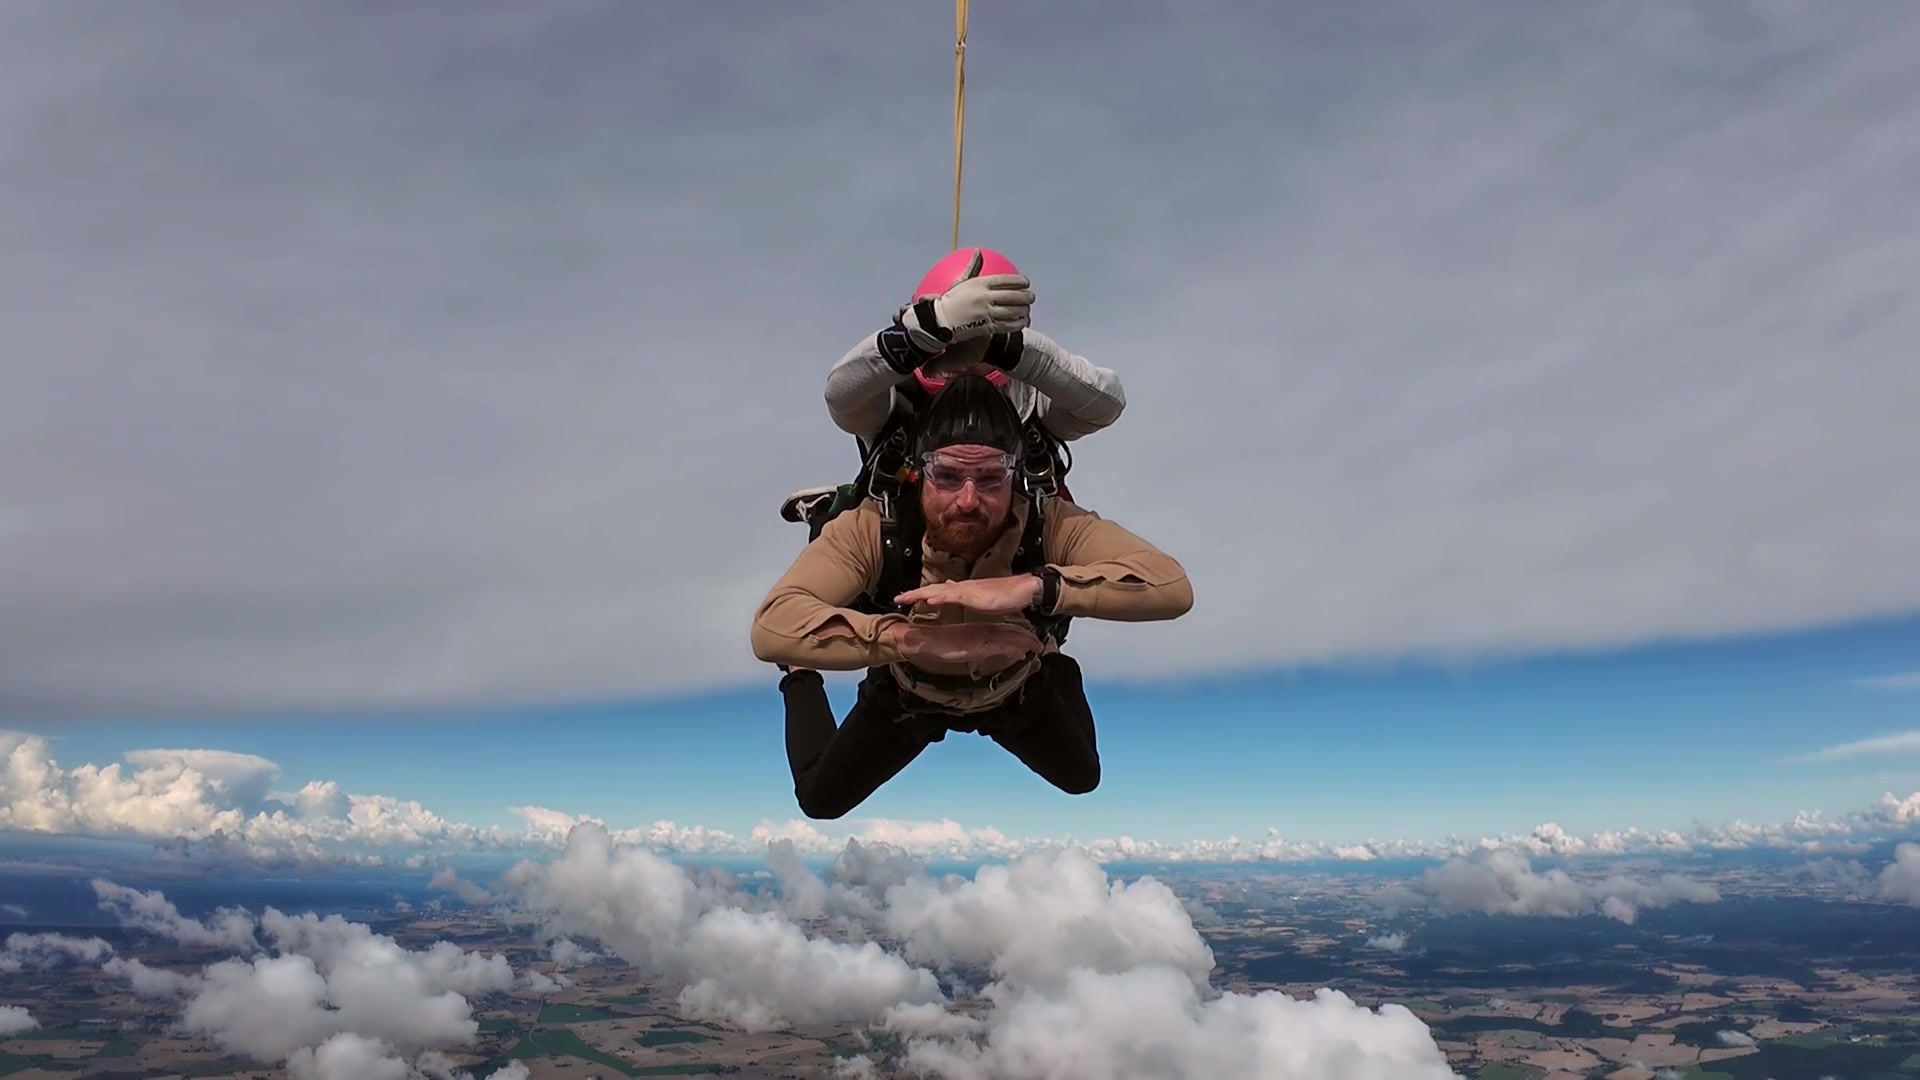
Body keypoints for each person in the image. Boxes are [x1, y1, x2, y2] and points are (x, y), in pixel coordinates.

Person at [750, 372, 1193, 820]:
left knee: (1082, 777)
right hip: (906, 694)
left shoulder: (1048, 520)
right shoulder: (877, 525)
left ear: (1015, 476)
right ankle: (806, 638)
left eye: (990, 477)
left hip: (1012, 689)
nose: (967, 499)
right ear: (919, 473)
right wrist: (912, 641)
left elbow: (1171, 586)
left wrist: (1036, 586)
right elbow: (772, 628)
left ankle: (1049, 649)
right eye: (947, 475)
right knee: (819, 800)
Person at [779, 247, 1127, 529]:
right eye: (951, 338)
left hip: (1017, 558)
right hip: (909, 555)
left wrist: (1008, 348)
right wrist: (924, 332)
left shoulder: (1033, 399)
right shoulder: (894, 399)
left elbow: (1106, 403)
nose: (960, 360)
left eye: (975, 339)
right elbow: (842, 395)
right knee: (838, 542)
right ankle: (834, 508)